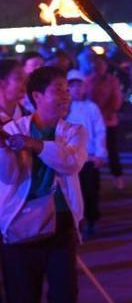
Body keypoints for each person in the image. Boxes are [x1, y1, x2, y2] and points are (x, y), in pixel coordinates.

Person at [0, 66, 87, 303]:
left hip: (62, 224)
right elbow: (9, 177)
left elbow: (70, 163)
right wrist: (4, 150)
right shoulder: (13, 130)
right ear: (37, 96)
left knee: (64, 294)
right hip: (20, 224)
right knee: (22, 295)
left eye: (67, 90)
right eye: (58, 90)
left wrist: (34, 145)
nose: (66, 96)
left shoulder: (74, 131)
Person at [66, 69, 107, 237]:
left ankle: (92, 220)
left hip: (89, 158)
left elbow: (100, 130)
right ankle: (76, 222)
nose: (76, 89)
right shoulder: (65, 109)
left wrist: (100, 153)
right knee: (74, 192)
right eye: (72, 86)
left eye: (79, 85)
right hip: (70, 158)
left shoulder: (92, 107)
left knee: (90, 191)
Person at [84, 53, 124, 189]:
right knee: (93, 148)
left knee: (112, 148)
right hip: (93, 121)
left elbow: (116, 99)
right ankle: (94, 176)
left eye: (101, 66)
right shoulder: (88, 80)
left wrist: (107, 112)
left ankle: (117, 175)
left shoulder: (112, 80)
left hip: (108, 120)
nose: (98, 68)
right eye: (96, 66)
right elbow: (86, 97)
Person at [0, 60, 28, 124]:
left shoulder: (29, 119)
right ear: (1, 83)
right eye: (19, 78)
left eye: (26, 79)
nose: (25, 83)